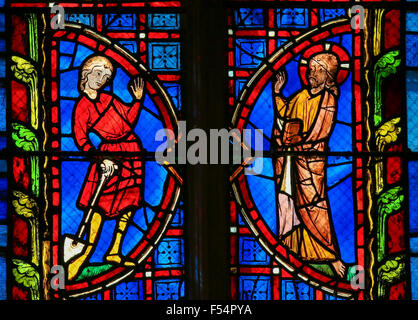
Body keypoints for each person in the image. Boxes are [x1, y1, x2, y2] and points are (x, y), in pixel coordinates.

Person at [67, 55, 145, 280]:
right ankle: (80, 258)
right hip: (107, 157)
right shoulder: (82, 106)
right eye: (98, 73)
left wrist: (137, 100)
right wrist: (101, 159)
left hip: (131, 152)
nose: (102, 79)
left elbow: (129, 120)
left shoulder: (110, 98)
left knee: (129, 203)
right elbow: (81, 139)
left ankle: (114, 251)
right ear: (86, 73)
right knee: (97, 208)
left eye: (107, 76)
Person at [273, 52, 346, 278]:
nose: (310, 73)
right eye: (310, 68)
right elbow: (285, 112)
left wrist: (300, 142)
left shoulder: (328, 99)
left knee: (315, 206)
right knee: (288, 201)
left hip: (310, 163)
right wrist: (277, 92)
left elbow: (320, 132)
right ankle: (292, 248)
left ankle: (330, 256)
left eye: (317, 70)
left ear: (328, 76)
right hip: (290, 159)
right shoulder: (301, 96)